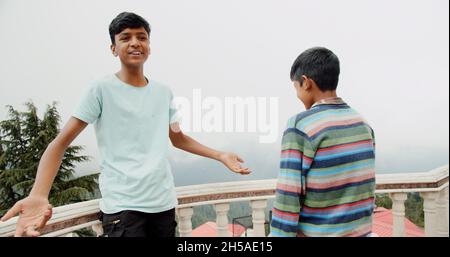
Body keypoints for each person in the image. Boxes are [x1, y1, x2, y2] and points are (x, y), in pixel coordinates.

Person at [0, 12, 250, 237]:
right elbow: (60, 144)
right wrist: (38, 194)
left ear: (149, 47)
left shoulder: (163, 93)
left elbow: (178, 138)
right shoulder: (101, 90)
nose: (135, 43)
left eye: (142, 37)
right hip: (123, 208)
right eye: (125, 37)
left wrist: (220, 155)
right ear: (113, 48)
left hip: (163, 204)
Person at [270, 47, 376, 237]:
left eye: (296, 87)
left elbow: (288, 198)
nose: (297, 94)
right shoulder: (363, 124)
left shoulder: (299, 126)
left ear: (306, 83)